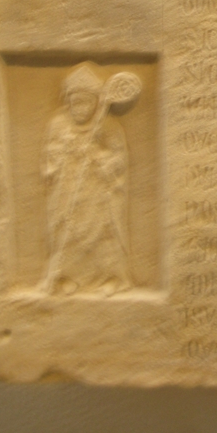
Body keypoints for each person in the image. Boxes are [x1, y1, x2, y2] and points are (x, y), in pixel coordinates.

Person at [42, 63, 132, 295]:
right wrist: (67, 150)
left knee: (103, 234)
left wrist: (98, 156)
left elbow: (118, 159)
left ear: (96, 103)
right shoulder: (58, 124)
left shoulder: (108, 125)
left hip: (98, 193)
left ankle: (112, 279)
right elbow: (50, 158)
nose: (81, 109)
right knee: (67, 231)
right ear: (68, 102)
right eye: (76, 103)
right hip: (68, 190)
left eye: (87, 103)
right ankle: (65, 278)